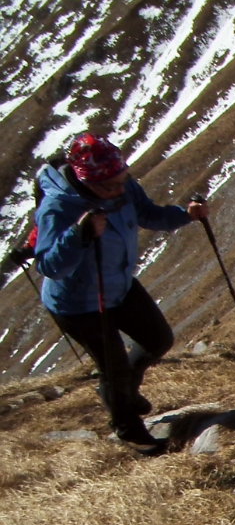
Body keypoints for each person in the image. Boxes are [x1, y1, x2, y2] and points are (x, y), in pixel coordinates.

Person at [33, 133, 208, 452]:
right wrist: (78, 235)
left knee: (157, 339)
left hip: (120, 283)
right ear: (87, 181)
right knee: (112, 365)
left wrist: (186, 215)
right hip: (78, 302)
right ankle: (128, 429)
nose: (119, 189)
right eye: (111, 186)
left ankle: (123, 389)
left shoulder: (123, 187)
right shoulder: (58, 207)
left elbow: (148, 214)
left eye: (122, 181)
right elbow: (48, 266)